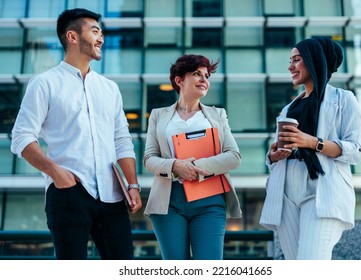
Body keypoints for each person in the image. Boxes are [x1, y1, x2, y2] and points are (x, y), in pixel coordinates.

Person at [10, 8, 142, 260]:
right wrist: (56, 173)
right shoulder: (44, 83)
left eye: (101, 32)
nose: (101, 38)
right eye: (94, 31)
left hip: (112, 195)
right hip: (68, 193)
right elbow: (22, 137)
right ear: (72, 37)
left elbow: (121, 140)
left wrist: (132, 184)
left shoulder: (109, 88)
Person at [260, 37, 361, 260]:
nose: (290, 66)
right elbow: (282, 150)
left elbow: (356, 150)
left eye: (296, 60)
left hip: (321, 190)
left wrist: (312, 142)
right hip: (286, 193)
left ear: (313, 60)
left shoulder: (344, 100)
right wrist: (273, 154)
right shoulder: (289, 108)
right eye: (290, 60)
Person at [143, 54, 242, 260]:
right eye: (197, 74)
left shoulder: (217, 115)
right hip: (169, 201)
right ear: (179, 80)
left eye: (206, 75)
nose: (204, 79)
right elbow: (149, 159)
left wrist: (195, 167)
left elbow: (233, 156)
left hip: (209, 200)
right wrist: (175, 165)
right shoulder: (158, 115)